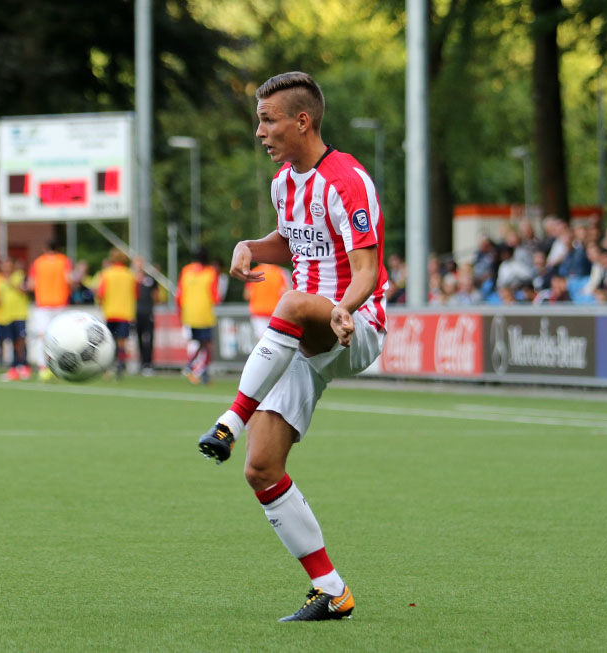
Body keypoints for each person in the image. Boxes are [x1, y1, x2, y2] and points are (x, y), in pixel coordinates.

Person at [197, 71, 387, 622]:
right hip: (302, 339)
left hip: (353, 324)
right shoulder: (284, 182)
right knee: (261, 468)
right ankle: (332, 591)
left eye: (267, 119)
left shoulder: (348, 179)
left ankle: (229, 420)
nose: (260, 131)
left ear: (301, 120)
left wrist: (344, 310)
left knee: (291, 302)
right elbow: (289, 240)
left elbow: (368, 271)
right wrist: (249, 247)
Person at [28, 240, 72, 381]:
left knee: (43, 336)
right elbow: (69, 279)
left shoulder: (38, 262)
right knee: (60, 336)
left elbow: (31, 284)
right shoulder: (64, 261)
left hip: (43, 303)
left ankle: (43, 368)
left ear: (45, 248)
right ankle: (60, 366)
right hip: (60, 302)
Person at [177, 249, 220, 384]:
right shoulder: (211, 273)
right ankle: (201, 371)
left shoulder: (186, 271)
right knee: (207, 344)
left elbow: (179, 294)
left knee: (198, 342)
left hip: (189, 313)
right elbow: (215, 296)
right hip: (204, 314)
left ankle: (190, 366)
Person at [97, 249, 137, 379]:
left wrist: (101, 304)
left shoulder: (107, 274)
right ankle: (120, 365)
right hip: (125, 312)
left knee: (109, 341)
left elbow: (101, 293)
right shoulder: (130, 275)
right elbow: (136, 294)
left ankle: (107, 366)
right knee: (122, 341)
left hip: (110, 311)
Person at [0, 257, 30, 380]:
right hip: (5, 315)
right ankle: (13, 368)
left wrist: (12, 283)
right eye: (4, 265)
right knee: (12, 342)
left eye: (9, 265)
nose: (7, 268)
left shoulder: (19, 276)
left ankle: (24, 366)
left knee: (21, 340)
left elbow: (25, 290)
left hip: (19, 313)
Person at [245, 262, 288, 337]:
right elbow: (285, 293)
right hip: (276, 312)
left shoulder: (254, 272)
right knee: (275, 338)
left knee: (261, 339)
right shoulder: (279, 272)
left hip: (258, 311)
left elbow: (247, 295)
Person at [133, 257, 158, 376]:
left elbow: (156, 296)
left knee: (148, 338)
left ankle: (148, 364)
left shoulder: (150, 279)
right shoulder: (131, 279)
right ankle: (141, 362)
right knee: (138, 338)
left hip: (148, 312)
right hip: (135, 313)